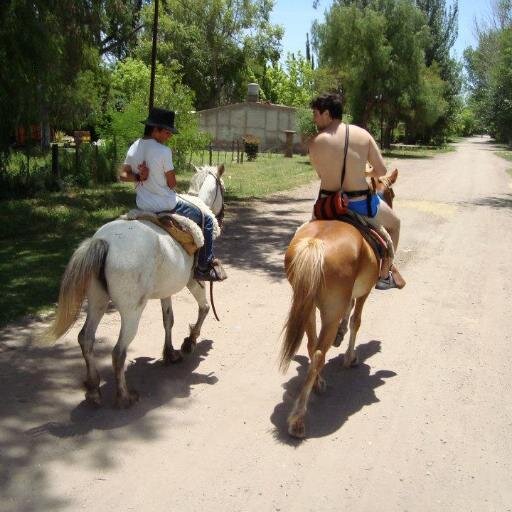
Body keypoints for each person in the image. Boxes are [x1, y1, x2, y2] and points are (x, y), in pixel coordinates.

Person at [308, 93, 405, 290]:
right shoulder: (363, 135)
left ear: (327, 114)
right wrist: (362, 171)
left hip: (327, 206)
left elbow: (322, 174)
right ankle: (385, 275)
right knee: (395, 224)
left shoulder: (315, 142)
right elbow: (382, 171)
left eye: (316, 114)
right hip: (361, 204)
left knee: (304, 237)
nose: (314, 118)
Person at [119, 107, 225, 281]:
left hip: (142, 205)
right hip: (166, 204)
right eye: (167, 132)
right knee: (206, 219)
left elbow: (123, 175)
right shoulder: (163, 151)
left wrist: (139, 176)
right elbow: (172, 183)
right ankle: (203, 267)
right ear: (156, 129)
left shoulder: (134, 146)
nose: (169, 136)